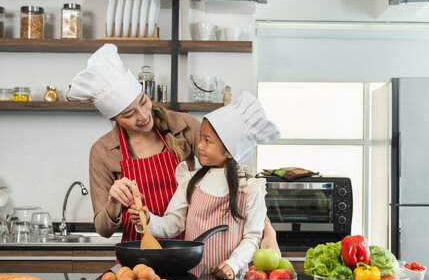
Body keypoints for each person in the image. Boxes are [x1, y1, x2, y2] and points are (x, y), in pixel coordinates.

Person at [69, 44, 280, 254]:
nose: (143, 116)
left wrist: (267, 229)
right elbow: (103, 230)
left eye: (143, 101)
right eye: (128, 114)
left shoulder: (184, 126)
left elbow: (235, 174)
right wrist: (113, 201)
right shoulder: (103, 151)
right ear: (114, 118)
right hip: (138, 257)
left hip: (187, 254)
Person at [129, 92, 280, 280]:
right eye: (201, 136)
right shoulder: (191, 180)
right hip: (192, 277)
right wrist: (149, 220)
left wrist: (232, 264)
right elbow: (174, 223)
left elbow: (252, 237)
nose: (199, 145)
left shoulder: (250, 189)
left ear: (230, 151)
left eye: (207, 141)